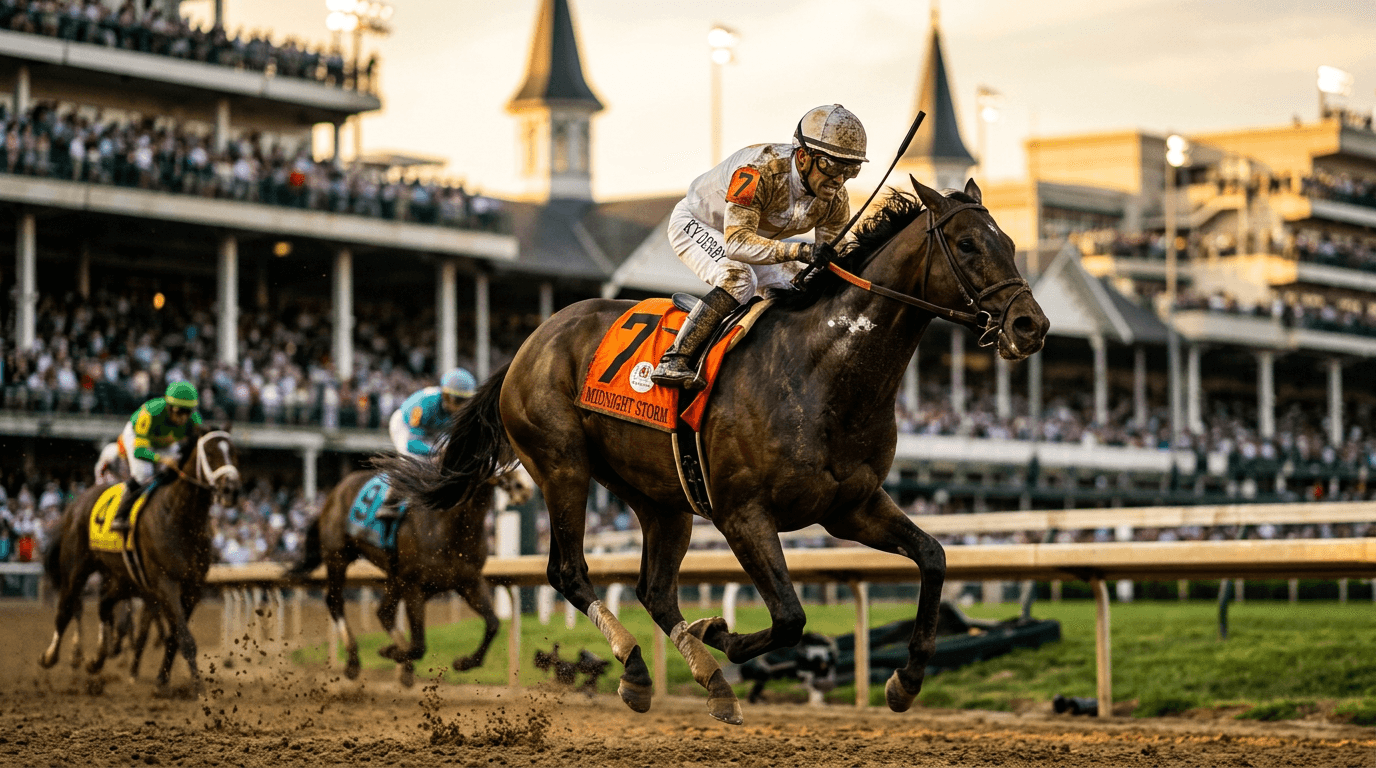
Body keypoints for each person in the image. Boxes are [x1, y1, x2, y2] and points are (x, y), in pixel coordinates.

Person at [651, 104, 868, 389]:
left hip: (755, 241)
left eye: (850, 170)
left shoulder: (835, 199)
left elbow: (830, 266)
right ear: (803, 157)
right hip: (699, 225)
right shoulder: (758, 170)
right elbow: (737, 243)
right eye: (831, 166)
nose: (839, 180)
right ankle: (675, 358)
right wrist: (801, 252)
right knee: (739, 279)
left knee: (801, 289)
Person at [109, 381, 203, 533]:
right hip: (138, 437)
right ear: (169, 407)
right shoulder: (150, 414)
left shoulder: (195, 421)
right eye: (180, 411)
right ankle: (120, 515)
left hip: (163, 441)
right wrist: (162, 459)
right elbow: (139, 452)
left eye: (188, 412)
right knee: (143, 473)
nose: (184, 418)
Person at [388, 368, 475, 458]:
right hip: (404, 425)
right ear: (445, 395)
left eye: (466, 400)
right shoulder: (423, 405)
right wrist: (436, 451)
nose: (463, 406)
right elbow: (411, 444)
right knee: (415, 462)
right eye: (459, 400)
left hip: (432, 429)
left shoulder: (459, 411)